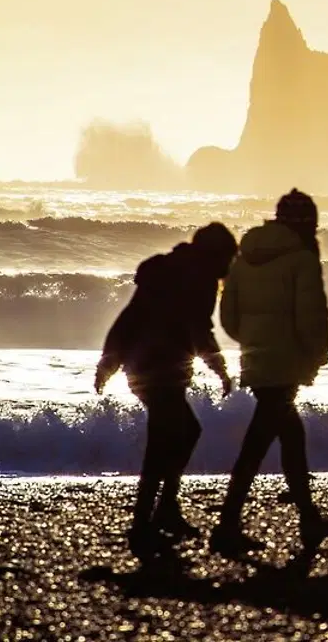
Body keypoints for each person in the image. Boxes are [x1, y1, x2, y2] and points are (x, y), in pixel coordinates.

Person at [95, 222, 238, 557]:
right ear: (217, 254)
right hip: (161, 369)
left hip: (143, 366)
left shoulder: (165, 270)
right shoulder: (199, 277)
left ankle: (163, 511)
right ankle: (145, 521)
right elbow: (198, 328)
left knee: (184, 433)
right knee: (168, 440)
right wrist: (219, 367)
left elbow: (127, 319)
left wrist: (110, 360)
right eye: (229, 257)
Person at [211, 188, 328, 555]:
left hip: (257, 360)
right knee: (256, 445)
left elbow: (228, 318)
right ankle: (227, 525)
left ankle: (309, 518)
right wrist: (316, 355)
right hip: (285, 364)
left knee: (291, 438)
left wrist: (253, 342)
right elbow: (311, 316)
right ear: (308, 223)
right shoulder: (301, 259)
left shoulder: (243, 256)